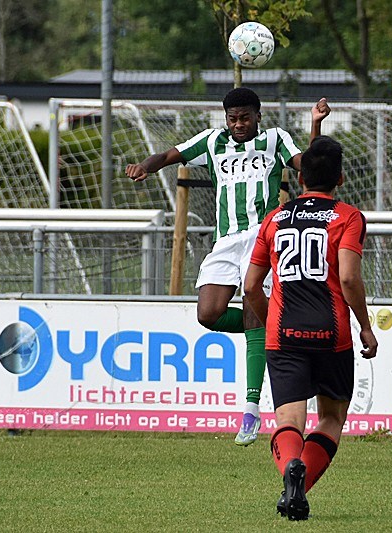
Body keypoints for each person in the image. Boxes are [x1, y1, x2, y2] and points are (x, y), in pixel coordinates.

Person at [125, 88, 330, 446]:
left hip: (264, 236)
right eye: (232, 118)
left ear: (258, 116)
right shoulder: (212, 141)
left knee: (252, 308)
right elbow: (170, 155)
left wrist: (315, 125)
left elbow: (309, 166)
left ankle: (251, 409)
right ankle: (276, 328)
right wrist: (145, 165)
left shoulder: (274, 139)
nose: (238, 124)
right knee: (209, 314)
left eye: (245, 117)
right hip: (226, 240)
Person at [243, 135, 378, 521]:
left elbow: (250, 286)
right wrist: (365, 327)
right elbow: (349, 278)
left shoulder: (274, 218)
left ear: (300, 179)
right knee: (331, 418)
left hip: (283, 334)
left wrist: (270, 320)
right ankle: (299, 486)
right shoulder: (348, 217)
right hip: (331, 335)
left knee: (289, 420)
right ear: (341, 178)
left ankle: (291, 468)